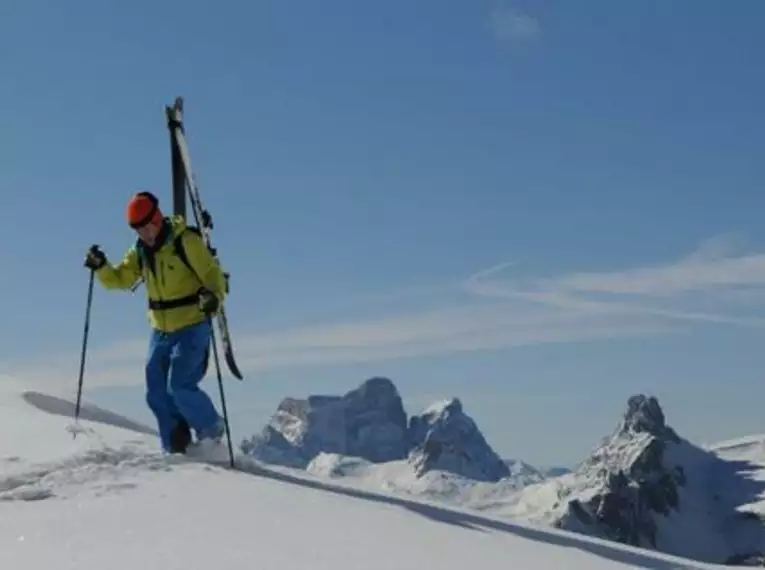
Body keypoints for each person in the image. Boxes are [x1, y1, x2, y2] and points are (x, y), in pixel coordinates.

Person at [84, 190, 228, 455]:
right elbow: (121, 279)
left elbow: (212, 274)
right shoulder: (141, 251)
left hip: (192, 325)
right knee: (156, 392)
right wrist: (101, 266)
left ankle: (211, 432)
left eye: (145, 227)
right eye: (137, 230)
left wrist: (213, 297)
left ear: (157, 218)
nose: (143, 234)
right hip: (160, 330)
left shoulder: (185, 241)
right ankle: (175, 445)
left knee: (180, 385)